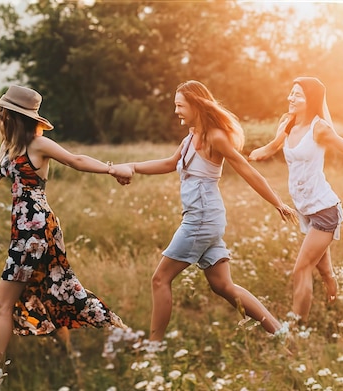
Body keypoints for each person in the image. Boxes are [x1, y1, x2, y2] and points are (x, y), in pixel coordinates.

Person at [0, 85, 132, 391]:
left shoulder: (39, 144)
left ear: (13, 115)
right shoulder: (8, 145)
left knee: (2, 306)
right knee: (56, 291)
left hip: (35, 230)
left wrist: (113, 169)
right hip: (25, 230)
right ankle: (117, 331)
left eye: (2, 111)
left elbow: (76, 159)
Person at [112, 80, 298, 344]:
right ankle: (282, 335)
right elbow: (168, 163)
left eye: (180, 105)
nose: (176, 111)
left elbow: (247, 170)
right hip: (204, 218)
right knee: (223, 286)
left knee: (160, 279)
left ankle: (152, 350)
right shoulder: (190, 137)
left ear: (196, 105)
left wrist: (278, 203)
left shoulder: (215, 137)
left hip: (201, 219)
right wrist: (131, 165)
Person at [248, 76, 343, 323]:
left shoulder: (320, 129)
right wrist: (244, 156)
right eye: (291, 93)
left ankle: (295, 332)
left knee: (301, 269)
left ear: (311, 100)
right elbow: (271, 147)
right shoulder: (287, 123)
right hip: (305, 208)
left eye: (297, 95)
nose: (291, 98)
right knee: (321, 267)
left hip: (324, 210)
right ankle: (330, 280)